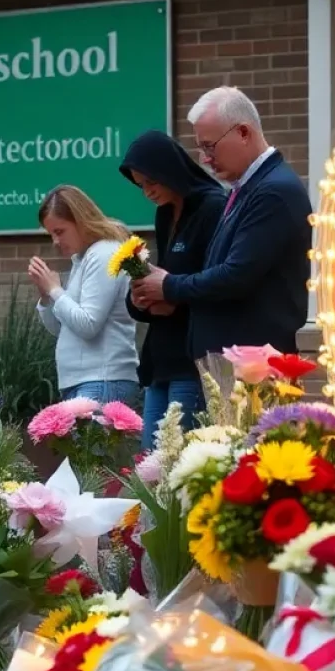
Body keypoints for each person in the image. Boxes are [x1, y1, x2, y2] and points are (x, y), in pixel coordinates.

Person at [131, 87, 312, 357]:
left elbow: (235, 275)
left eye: (209, 146)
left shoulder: (273, 191)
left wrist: (169, 286)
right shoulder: (246, 189)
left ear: (243, 133)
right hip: (237, 366)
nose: (205, 158)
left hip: (255, 370)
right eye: (201, 148)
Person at [119, 130, 226, 446]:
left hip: (191, 361)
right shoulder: (165, 214)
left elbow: (217, 283)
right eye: (141, 187)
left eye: (151, 183)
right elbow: (161, 276)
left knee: (178, 462)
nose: (148, 192)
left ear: (170, 170)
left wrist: (170, 296)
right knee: (150, 464)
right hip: (161, 361)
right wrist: (139, 300)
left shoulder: (213, 207)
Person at [29, 184, 139, 404]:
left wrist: (55, 290)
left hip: (103, 379)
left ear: (80, 220)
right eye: (51, 234)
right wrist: (46, 297)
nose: (55, 241)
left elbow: (88, 325)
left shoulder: (104, 253)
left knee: (91, 440)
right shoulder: (82, 259)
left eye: (59, 231)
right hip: (83, 381)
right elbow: (61, 329)